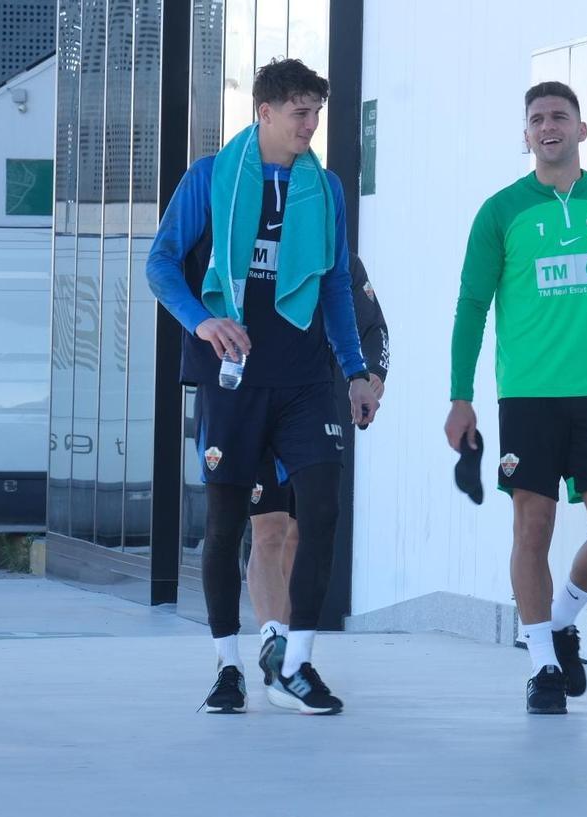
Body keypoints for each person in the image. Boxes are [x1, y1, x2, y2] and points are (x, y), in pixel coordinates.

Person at [147, 58, 379, 715]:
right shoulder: (210, 176)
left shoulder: (324, 188)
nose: (311, 124)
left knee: (323, 508)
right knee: (225, 527)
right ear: (265, 113)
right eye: (300, 111)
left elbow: (335, 285)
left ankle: (297, 662)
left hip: (306, 379)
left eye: (317, 111)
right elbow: (160, 263)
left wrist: (356, 369)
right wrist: (203, 319)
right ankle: (228, 666)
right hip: (234, 377)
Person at [445, 81, 587, 714]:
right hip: (528, 400)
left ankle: (562, 618)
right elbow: (471, 306)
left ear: (581, 129)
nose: (548, 126)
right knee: (532, 527)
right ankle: (542, 663)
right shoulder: (500, 212)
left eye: (559, 117)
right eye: (537, 119)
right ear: (525, 135)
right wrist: (460, 396)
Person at [248, 252, 389, 687]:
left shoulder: (335, 250)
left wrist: (369, 375)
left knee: (298, 531)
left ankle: (287, 652)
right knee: (267, 528)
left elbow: (373, 327)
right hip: (255, 401)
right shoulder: (248, 231)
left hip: (312, 406)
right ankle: (272, 638)